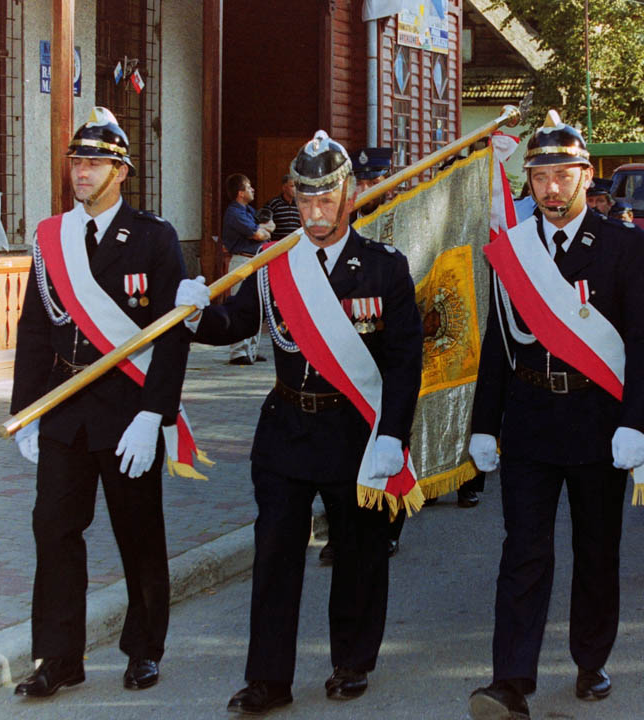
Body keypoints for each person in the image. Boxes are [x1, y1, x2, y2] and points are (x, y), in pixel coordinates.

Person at [176, 130, 423, 715]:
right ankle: (268, 679)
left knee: (358, 553)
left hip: (353, 431)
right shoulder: (274, 267)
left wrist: (392, 434)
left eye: (325, 199)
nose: (314, 212)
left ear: (349, 195)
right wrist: (194, 316)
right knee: (274, 557)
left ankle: (352, 661)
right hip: (286, 428)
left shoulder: (384, 268)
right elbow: (236, 324)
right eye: (305, 198)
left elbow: (404, 361)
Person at [466, 111, 644, 720]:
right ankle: (510, 680)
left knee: (596, 548)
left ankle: (590, 658)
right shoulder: (516, 250)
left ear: (585, 176)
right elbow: (499, 341)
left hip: (598, 420)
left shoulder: (624, 245)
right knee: (523, 551)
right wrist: (484, 422)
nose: (550, 189)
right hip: (529, 417)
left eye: (562, 176)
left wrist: (636, 421)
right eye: (539, 177)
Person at [10, 107, 190, 697]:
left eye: (93, 163)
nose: (81, 173)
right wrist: (27, 411)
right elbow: (35, 328)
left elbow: (171, 337)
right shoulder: (52, 237)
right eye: (76, 162)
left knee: (138, 532)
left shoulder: (155, 237)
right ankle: (59, 656)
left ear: (121, 172)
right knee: (53, 530)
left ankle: (143, 649)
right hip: (65, 408)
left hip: (127, 409)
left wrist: (154, 414)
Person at [221, 173, 274, 365]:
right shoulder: (234, 213)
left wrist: (262, 230)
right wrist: (262, 230)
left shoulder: (249, 211)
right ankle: (238, 352)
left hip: (256, 260)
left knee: (255, 307)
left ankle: (251, 350)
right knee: (240, 305)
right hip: (242, 261)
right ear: (240, 192)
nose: (253, 189)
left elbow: (270, 226)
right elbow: (259, 234)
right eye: (249, 186)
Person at [350, 147, 393, 220]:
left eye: (373, 183)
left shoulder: (398, 222)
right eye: (358, 183)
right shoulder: (344, 223)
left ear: (389, 187)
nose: (364, 190)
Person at [264, 174, 303, 239]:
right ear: (284, 188)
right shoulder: (273, 203)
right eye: (292, 186)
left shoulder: (300, 204)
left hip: (296, 243)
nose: (296, 189)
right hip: (278, 243)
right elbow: (264, 223)